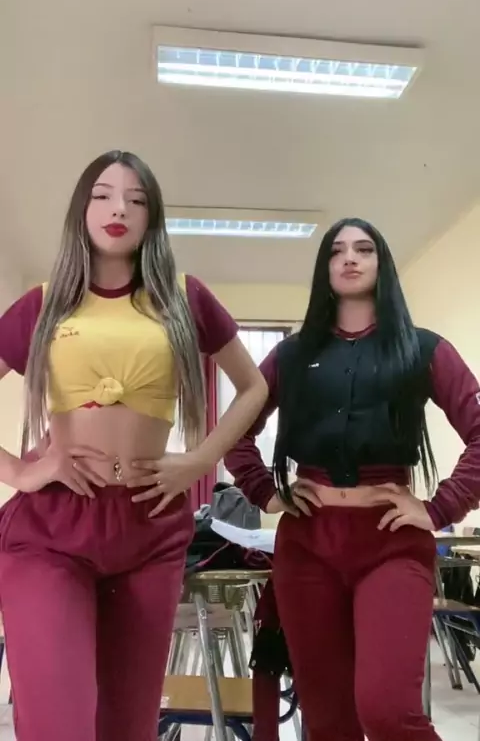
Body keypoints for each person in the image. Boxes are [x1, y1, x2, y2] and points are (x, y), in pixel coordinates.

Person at [0, 149, 268, 741]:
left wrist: (201, 460)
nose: (118, 208)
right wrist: (19, 472)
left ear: (153, 217)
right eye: (102, 195)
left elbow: (254, 388)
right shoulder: (45, 302)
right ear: (81, 210)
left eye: (136, 199)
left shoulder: (184, 298)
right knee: (58, 725)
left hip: (150, 525)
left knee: (128, 726)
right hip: (53, 529)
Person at [224, 218, 480, 741]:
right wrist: (266, 492)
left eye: (364, 249)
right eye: (336, 250)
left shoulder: (424, 350)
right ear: (324, 268)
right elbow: (232, 431)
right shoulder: (291, 356)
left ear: (382, 264)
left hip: (392, 544)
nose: (349, 258)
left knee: (387, 710)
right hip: (307, 546)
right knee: (327, 720)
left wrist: (440, 507)